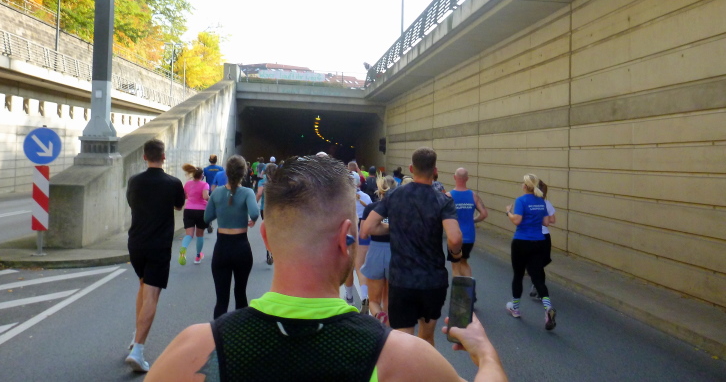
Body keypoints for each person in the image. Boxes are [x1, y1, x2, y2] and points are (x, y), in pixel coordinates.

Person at [145, 155, 507, 382]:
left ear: (267, 237)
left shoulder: (194, 349)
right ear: (345, 238)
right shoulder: (403, 359)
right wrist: (485, 353)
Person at [366, 147, 463, 346]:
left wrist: (395, 227)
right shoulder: (443, 200)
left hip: (401, 280)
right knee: (426, 339)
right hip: (432, 281)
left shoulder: (394, 195)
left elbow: (369, 227)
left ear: (411, 169)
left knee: (402, 340)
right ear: (434, 171)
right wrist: (456, 254)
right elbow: (454, 239)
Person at [124, 139, 185, 372]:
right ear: (164, 156)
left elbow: (131, 203)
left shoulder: (134, 181)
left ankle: (135, 336)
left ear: (144, 157)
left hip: (136, 243)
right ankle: (138, 351)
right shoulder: (173, 183)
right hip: (158, 245)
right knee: (152, 295)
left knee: (142, 285)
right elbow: (179, 206)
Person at [204, 155, 260, 318]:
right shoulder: (247, 192)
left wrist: (222, 211)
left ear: (226, 172)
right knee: (240, 294)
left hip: (222, 247)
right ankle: (240, 331)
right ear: (244, 173)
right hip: (241, 247)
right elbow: (254, 213)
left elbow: (207, 217)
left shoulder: (217, 193)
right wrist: (252, 220)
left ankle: (219, 332)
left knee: (221, 299)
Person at [505, 173, 557, 330]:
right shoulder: (541, 201)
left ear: (525, 186)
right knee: (537, 277)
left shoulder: (521, 200)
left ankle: (515, 307)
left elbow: (517, 220)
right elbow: (546, 222)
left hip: (521, 241)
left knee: (518, 275)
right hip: (538, 242)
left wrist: (508, 212)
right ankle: (548, 307)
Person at [359, 175, 397, 324]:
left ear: (380, 190)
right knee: (389, 298)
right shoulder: (400, 209)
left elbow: (363, 233)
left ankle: (380, 319)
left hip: (375, 252)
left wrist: (379, 227)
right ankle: (388, 327)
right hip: (395, 252)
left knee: (374, 300)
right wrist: (391, 228)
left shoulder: (371, 208)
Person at [449, 168, 489, 278]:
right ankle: (469, 286)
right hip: (469, 236)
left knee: (455, 265)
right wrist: (473, 220)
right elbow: (484, 214)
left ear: (454, 177)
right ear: (467, 179)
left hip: (454, 236)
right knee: (464, 262)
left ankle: (458, 288)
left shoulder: (449, 196)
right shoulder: (473, 195)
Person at [344, 170, 371, 313]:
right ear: (358, 183)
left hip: (348, 234)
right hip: (363, 234)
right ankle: (365, 295)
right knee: (361, 267)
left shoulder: (341, 198)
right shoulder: (366, 197)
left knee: (348, 267)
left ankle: (349, 297)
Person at [179, 164, 210, 265]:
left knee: (189, 234)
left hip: (188, 210)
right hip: (201, 211)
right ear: (201, 176)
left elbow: (185, 196)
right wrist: (211, 199)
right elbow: (205, 196)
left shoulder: (188, 184)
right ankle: (197, 256)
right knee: (200, 235)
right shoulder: (204, 184)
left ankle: (183, 248)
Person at [530, 179, 556, 299]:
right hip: (545, 237)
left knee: (535, 264)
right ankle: (538, 287)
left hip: (533, 236)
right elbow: (552, 220)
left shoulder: (528, 202)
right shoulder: (546, 203)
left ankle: (537, 285)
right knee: (540, 263)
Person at [255, 162, 278, 264]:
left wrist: (254, 203)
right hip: (278, 209)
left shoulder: (263, 182)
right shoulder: (280, 182)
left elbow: (259, 193)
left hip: (265, 208)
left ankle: (269, 252)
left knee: (268, 230)